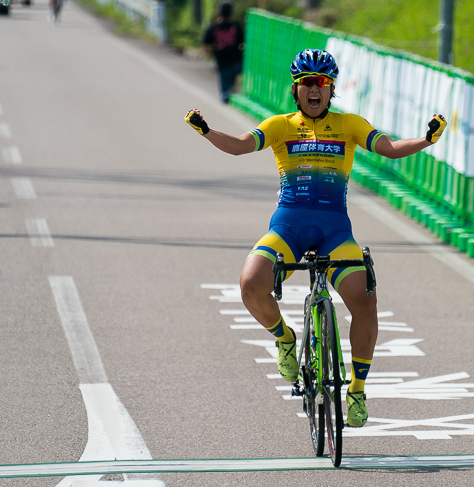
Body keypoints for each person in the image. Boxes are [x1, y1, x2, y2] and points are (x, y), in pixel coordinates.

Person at [185, 48, 446, 427]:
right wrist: (208, 132)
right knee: (250, 283)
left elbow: (388, 149)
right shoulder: (280, 125)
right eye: (307, 82)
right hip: (288, 228)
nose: (314, 89)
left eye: (322, 83)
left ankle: (356, 388)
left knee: (365, 301)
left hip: (335, 232)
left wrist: (425, 139)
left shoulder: (349, 124)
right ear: (296, 88)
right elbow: (241, 146)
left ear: (331, 89)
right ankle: (285, 338)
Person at [202, 1, 244, 103]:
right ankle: (234, 93)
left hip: (222, 62)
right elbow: (243, 43)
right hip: (237, 61)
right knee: (233, 81)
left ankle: (227, 96)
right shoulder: (236, 26)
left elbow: (205, 47)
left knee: (225, 89)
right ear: (232, 13)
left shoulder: (213, 28)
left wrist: (213, 53)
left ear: (218, 12)